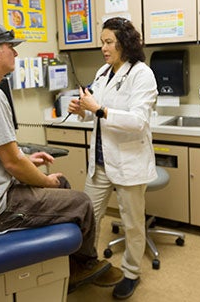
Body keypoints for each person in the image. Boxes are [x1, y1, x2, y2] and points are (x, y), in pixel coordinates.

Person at [0, 23, 115, 293]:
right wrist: (43, 180)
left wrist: (27, 157)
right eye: (10, 48)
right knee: (82, 203)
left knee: (61, 184)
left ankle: (65, 262)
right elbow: (12, 164)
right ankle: (83, 267)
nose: (15, 54)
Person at [68, 17, 158, 299]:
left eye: (109, 42)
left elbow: (138, 121)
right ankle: (87, 264)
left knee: (132, 222)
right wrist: (81, 108)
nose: (104, 48)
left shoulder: (142, 74)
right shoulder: (103, 71)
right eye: (102, 42)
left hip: (128, 161)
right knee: (89, 217)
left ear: (124, 43)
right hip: (100, 161)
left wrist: (98, 110)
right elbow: (93, 107)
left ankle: (131, 272)